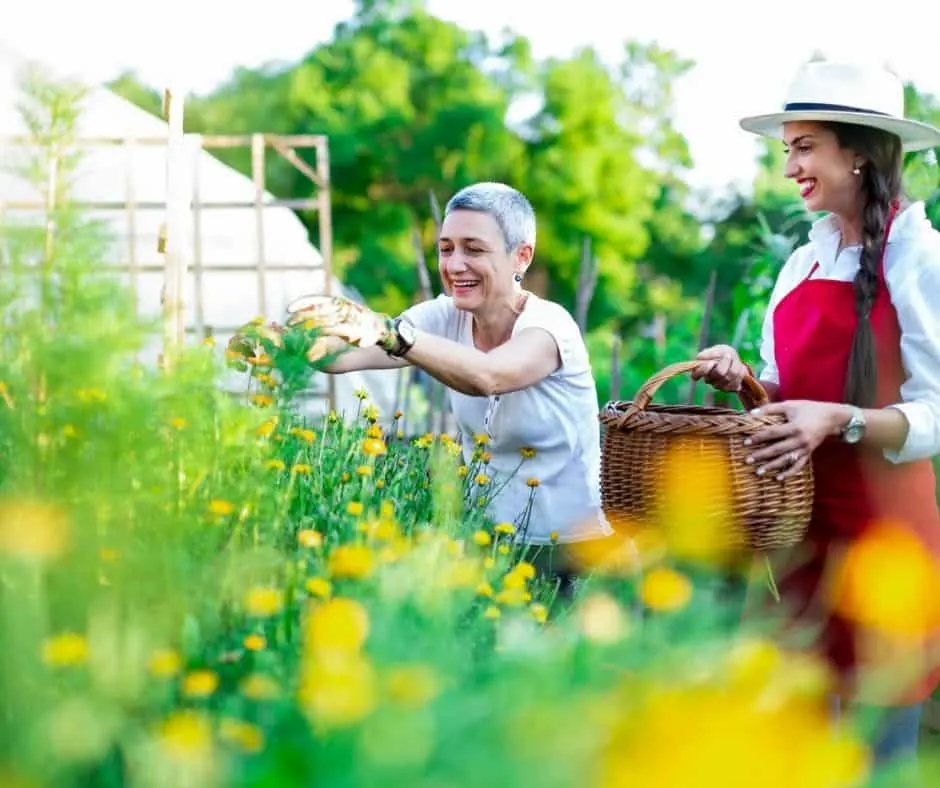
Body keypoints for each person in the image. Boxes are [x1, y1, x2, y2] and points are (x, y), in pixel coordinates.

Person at [693, 59, 940, 769]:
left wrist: (844, 420)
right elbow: (782, 390)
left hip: (885, 544)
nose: (789, 168)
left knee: (878, 756)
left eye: (804, 148)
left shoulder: (921, 258)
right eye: (786, 150)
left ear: (859, 152)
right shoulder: (801, 263)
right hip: (798, 538)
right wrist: (744, 378)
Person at [288, 182, 629, 595]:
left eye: (474, 249)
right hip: (491, 550)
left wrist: (389, 333)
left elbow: (488, 377)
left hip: (578, 559)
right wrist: (288, 342)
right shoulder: (442, 316)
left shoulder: (550, 327)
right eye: (446, 249)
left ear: (522, 255)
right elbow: (345, 356)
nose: (454, 264)